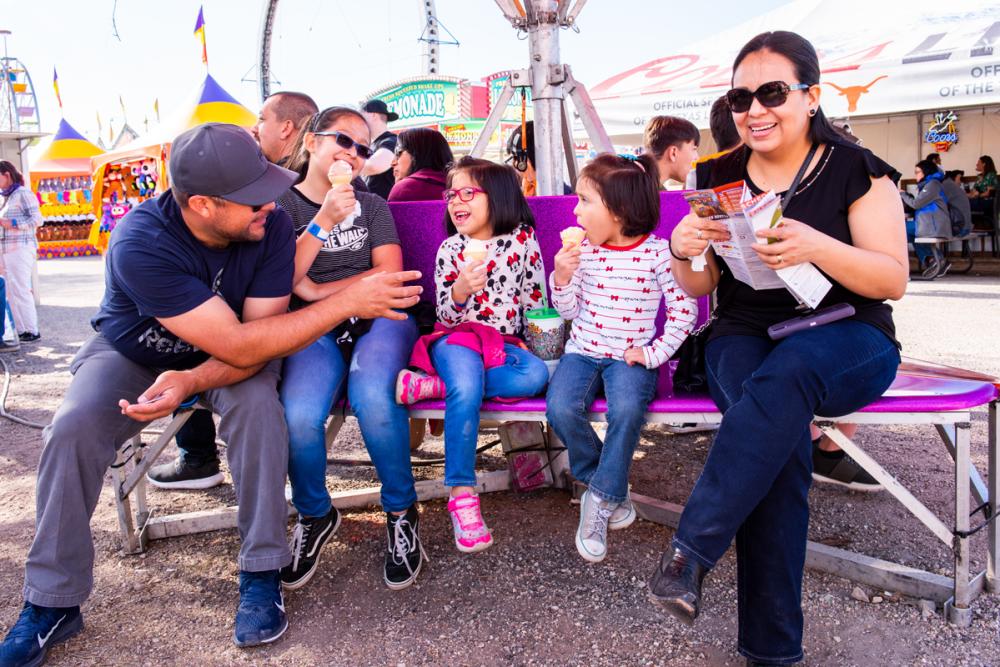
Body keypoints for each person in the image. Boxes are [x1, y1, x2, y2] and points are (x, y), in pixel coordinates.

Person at [0, 123, 423, 666]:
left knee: (259, 414)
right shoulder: (140, 240)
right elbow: (241, 339)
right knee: (73, 426)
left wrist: (196, 380)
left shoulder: (266, 226)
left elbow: (255, 344)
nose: (270, 203)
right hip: (136, 352)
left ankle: (261, 571)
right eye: (251, 198)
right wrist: (346, 302)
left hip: (232, 358)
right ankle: (51, 601)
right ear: (201, 204)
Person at [647, 31, 905, 666]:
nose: (754, 110)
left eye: (771, 92)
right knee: (778, 445)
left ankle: (691, 551)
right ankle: (770, 652)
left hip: (848, 331)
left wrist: (818, 246)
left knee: (783, 385)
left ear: (810, 96)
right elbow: (703, 285)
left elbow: (891, 279)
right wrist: (684, 250)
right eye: (740, 97)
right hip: (743, 333)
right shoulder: (713, 175)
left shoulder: (856, 168)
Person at [274, 106, 425, 592]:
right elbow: (281, 283)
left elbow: (388, 275)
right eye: (344, 141)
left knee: (374, 398)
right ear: (312, 142)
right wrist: (322, 222)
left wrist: (320, 291)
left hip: (378, 317)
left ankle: (401, 511)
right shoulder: (282, 207)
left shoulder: (373, 206)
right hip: (312, 327)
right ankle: (315, 515)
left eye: (364, 148)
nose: (355, 155)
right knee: (298, 414)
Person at [149, 92, 319, 491]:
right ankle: (197, 456)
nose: (257, 127)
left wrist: (328, 291)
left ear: (288, 128)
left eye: (262, 118)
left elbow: (259, 337)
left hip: (280, 331)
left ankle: (202, 461)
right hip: (247, 328)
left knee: (254, 395)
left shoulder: (284, 197)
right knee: (179, 344)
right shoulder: (148, 238)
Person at [546, 153, 697, 563]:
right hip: (582, 350)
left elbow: (686, 312)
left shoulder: (659, 254)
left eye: (584, 201)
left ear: (620, 211)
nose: (574, 209)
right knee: (559, 408)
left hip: (630, 357)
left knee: (628, 410)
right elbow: (568, 311)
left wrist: (654, 353)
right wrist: (560, 277)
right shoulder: (585, 253)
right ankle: (606, 486)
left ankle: (597, 502)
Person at [395, 157, 549, 553]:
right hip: (457, 338)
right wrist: (462, 287)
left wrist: (538, 343)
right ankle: (462, 493)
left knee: (534, 377)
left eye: (468, 192)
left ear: (497, 197)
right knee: (465, 383)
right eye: (451, 194)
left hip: (503, 345)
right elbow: (445, 313)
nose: (455, 201)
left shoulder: (523, 241)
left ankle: (431, 386)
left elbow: (534, 299)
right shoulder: (451, 249)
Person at [0, 161, 42, 343]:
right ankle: (21, 330)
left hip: (21, 247)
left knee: (21, 288)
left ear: (6, 174)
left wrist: (15, 224)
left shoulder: (23, 193)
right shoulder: (4, 197)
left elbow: (38, 220)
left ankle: (32, 330)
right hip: (6, 249)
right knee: (10, 291)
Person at [902, 159, 951, 279]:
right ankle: (935, 260)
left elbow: (916, 204)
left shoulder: (932, 185)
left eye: (917, 172)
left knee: (901, 230)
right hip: (930, 223)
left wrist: (902, 194)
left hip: (934, 225)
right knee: (910, 234)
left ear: (926, 172)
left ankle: (902, 268)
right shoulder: (930, 184)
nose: (915, 175)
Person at [252, 91, 319, 166]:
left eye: (261, 119)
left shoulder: (280, 177)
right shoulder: (318, 172)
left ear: (286, 128)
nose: (253, 129)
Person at [387, 127, 454, 202]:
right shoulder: (459, 186)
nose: (392, 163)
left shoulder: (404, 189)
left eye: (398, 152)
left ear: (418, 154)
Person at [642, 116, 700, 190]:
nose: (697, 158)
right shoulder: (646, 192)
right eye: (694, 149)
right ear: (673, 153)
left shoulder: (639, 183)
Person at [360, 99, 399, 199]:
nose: (359, 120)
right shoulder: (372, 144)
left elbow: (374, 166)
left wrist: (344, 167)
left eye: (361, 115)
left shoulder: (391, 141)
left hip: (384, 209)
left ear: (373, 115)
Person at [943, 169, 973, 238]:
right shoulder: (949, 185)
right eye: (959, 179)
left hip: (960, 228)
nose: (960, 183)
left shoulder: (946, 184)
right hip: (966, 227)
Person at [968, 154, 997, 221]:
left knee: (963, 204)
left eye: (978, 162)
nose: (976, 164)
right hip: (978, 200)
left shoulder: (991, 175)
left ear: (984, 164)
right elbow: (973, 191)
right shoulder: (980, 177)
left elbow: (990, 192)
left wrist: (977, 195)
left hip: (986, 202)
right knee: (961, 202)